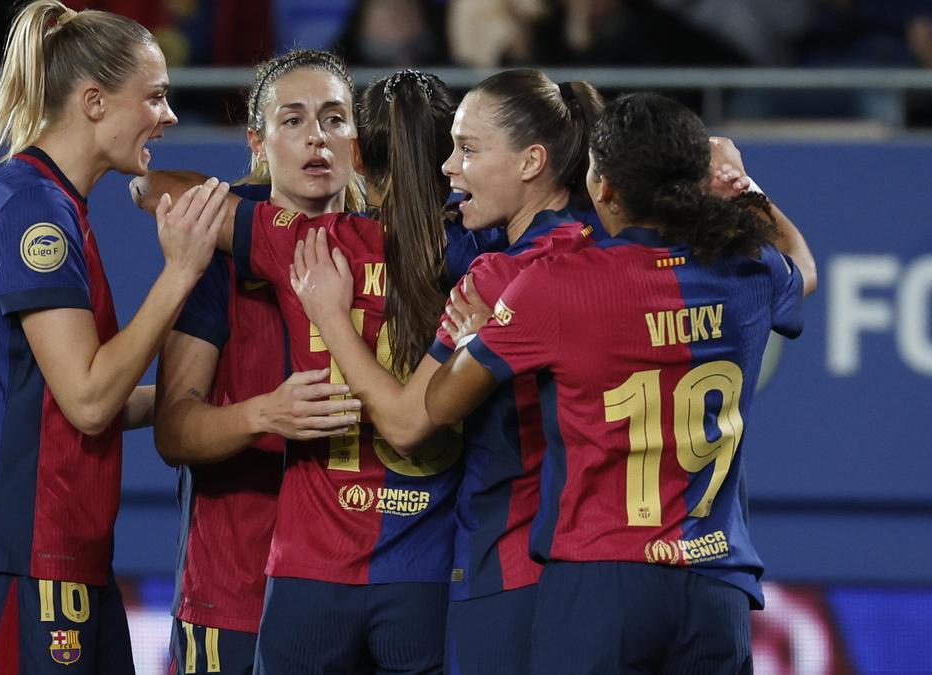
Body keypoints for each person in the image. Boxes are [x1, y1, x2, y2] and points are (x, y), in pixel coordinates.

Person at [424, 92, 817, 674]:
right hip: (715, 585)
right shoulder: (749, 269)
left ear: (602, 187)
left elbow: (439, 402)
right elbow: (803, 266)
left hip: (601, 582)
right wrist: (745, 184)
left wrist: (480, 337)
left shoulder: (555, 285)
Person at [0, 2, 229, 673]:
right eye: (154, 97)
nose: (168, 116)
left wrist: (222, 403)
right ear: (93, 101)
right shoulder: (36, 214)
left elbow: (69, 401)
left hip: (48, 554)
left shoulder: (36, 199)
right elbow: (88, 399)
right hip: (20, 557)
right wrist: (179, 273)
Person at [291, 68, 605, 675]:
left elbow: (407, 423)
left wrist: (330, 317)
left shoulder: (495, 277)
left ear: (531, 161)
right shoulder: (610, 251)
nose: (446, 168)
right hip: (601, 572)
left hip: (506, 565)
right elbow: (794, 275)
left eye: (467, 150)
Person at [150, 54, 367, 675]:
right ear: (257, 142)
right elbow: (173, 430)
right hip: (235, 601)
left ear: (357, 138)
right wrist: (264, 414)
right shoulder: (214, 263)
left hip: (365, 596)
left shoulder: (390, 252)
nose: (316, 137)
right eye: (292, 120)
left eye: (333, 118)